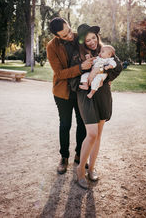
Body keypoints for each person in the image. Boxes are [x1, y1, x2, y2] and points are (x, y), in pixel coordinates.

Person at [69, 23, 122, 189]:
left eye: (93, 38)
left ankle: (91, 168)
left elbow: (118, 66)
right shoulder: (78, 55)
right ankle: (80, 169)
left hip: (103, 94)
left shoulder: (104, 50)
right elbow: (72, 79)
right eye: (87, 40)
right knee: (91, 133)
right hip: (85, 95)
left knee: (98, 134)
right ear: (83, 42)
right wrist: (85, 73)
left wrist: (103, 76)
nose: (91, 42)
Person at [46, 18, 94, 174]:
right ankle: (64, 157)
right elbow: (59, 73)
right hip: (62, 92)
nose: (69, 36)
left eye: (69, 31)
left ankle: (80, 155)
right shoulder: (51, 47)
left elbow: (95, 48)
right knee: (65, 124)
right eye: (64, 35)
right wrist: (81, 68)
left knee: (82, 124)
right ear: (57, 36)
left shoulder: (79, 37)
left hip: (81, 90)